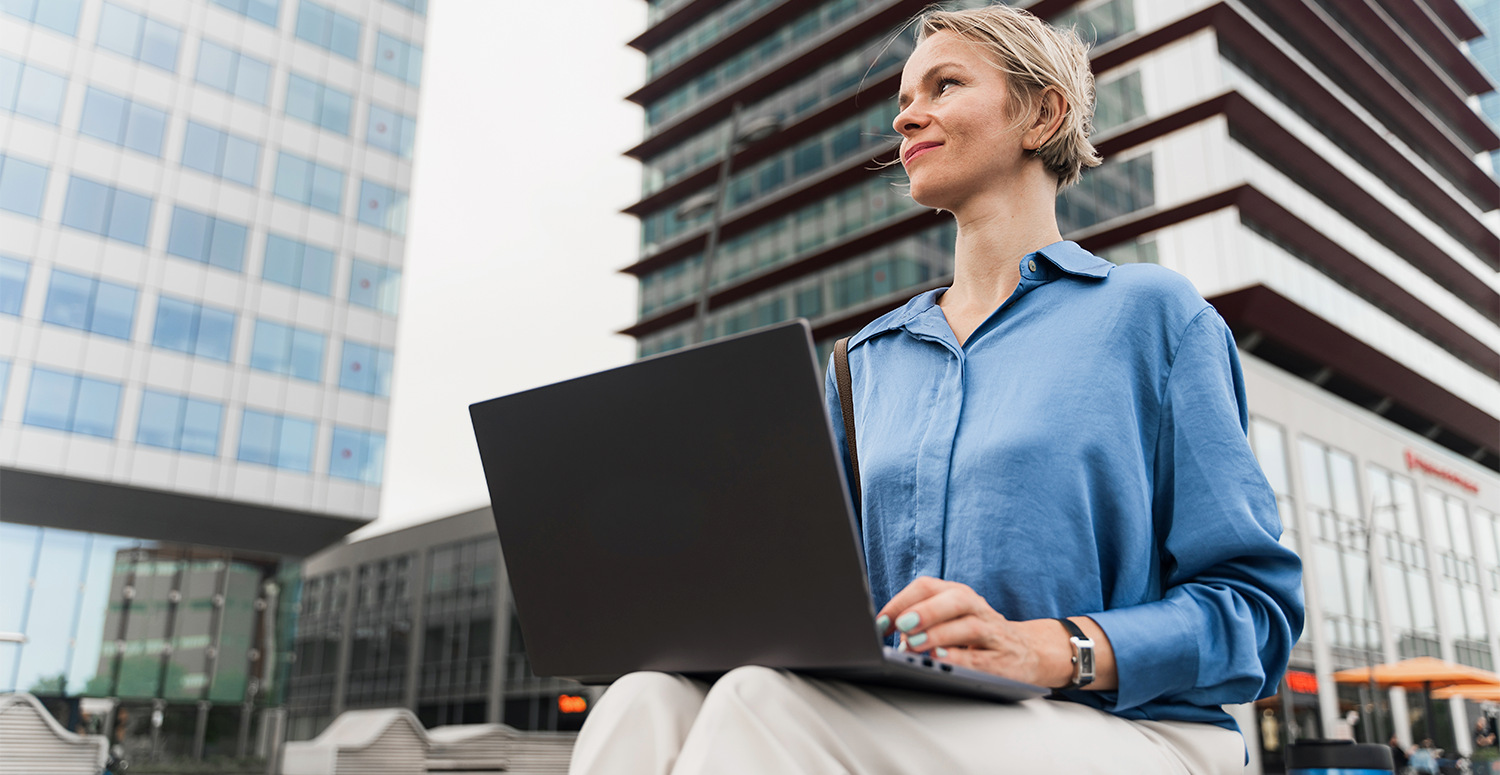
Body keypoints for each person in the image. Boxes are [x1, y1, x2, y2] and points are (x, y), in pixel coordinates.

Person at [567, 5, 1303, 774]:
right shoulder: (864, 361)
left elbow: (1257, 611)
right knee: (645, 695)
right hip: (915, 707)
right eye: (904, 97)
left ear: (1043, 113)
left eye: (944, 84)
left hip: (1133, 730)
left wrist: (1046, 646)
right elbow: (825, 607)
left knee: (765, 703)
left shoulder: (1152, 316)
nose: (907, 114)